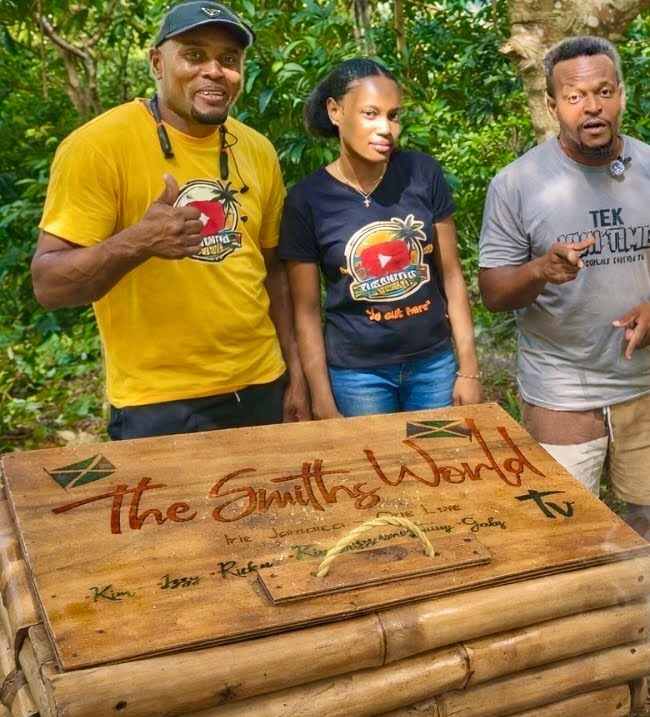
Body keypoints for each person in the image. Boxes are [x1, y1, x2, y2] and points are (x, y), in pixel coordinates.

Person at [31, 1, 308, 440]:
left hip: (262, 384)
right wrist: (137, 242)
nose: (215, 71)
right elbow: (49, 286)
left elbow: (272, 270)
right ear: (158, 63)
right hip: (158, 403)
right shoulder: (98, 146)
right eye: (195, 55)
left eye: (229, 60)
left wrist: (296, 373)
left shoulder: (257, 150)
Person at [478, 36, 650, 555]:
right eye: (575, 96)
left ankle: (645, 619)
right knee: (563, 533)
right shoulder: (517, 184)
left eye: (603, 91)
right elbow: (492, 291)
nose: (592, 106)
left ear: (621, 95)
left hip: (647, 381)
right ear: (553, 106)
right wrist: (540, 269)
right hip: (562, 391)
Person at [279, 59, 480, 418]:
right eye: (370, 114)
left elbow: (451, 276)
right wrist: (323, 401)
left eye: (394, 115)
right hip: (358, 377)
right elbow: (306, 311)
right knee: (376, 470)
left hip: (433, 366)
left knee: (440, 462)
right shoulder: (307, 200)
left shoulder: (421, 173)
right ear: (335, 111)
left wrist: (468, 370)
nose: (386, 128)